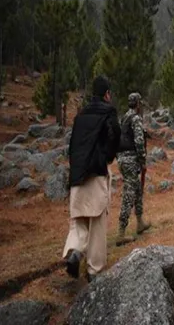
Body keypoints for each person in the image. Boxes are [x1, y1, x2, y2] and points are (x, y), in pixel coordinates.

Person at [63, 76, 121, 283]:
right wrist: (107, 157)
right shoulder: (108, 112)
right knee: (97, 223)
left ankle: (76, 251)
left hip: (77, 175)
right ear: (107, 94)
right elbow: (116, 135)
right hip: (97, 172)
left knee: (79, 221)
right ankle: (94, 271)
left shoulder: (80, 116)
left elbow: (72, 146)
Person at [116, 92, 151, 247]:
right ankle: (120, 233)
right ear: (137, 104)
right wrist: (143, 161)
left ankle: (140, 222)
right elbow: (138, 141)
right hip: (131, 160)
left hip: (123, 159)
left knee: (137, 190)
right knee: (129, 194)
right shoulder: (135, 119)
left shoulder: (124, 118)